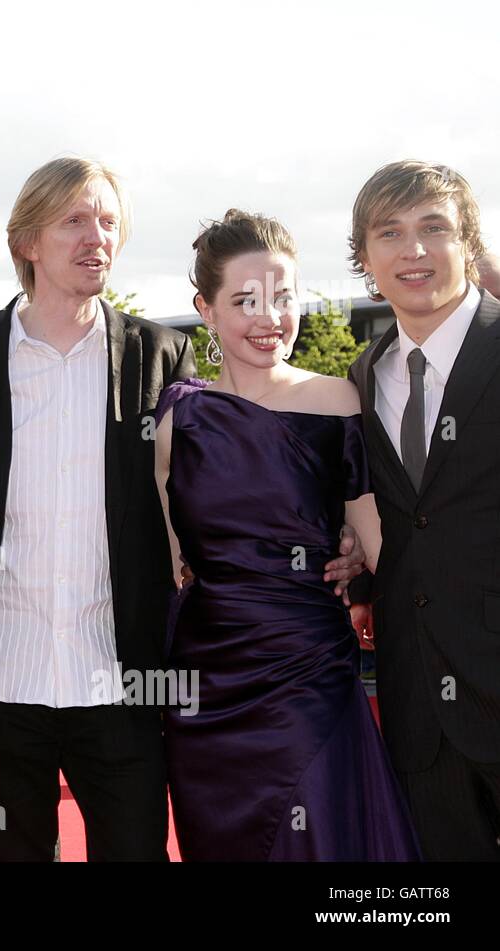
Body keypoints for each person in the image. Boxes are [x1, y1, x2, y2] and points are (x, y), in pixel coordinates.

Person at [0, 157, 366, 862]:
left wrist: (335, 529)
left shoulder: (161, 355)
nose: (95, 237)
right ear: (27, 242)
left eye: (108, 222)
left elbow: (222, 478)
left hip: (124, 685)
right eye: (74, 220)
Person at [153, 210, 419, 861]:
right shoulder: (177, 418)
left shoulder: (338, 400)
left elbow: (378, 540)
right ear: (205, 311)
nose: (270, 316)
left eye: (283, 296)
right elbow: (170, 562)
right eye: (245, 300)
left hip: (308, 671)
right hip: (205, 683)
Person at [346, 161, 500, 860]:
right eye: (390, 233)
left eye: (433, 228)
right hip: (418, 714)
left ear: (467, 240)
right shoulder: (361, 377)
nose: (413, 250)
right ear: (365, 257)